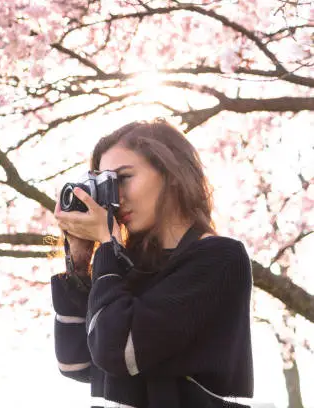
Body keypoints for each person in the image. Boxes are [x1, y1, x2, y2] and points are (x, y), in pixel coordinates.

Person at [51, 119, 254, 408]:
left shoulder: (219, 258)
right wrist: (80, 266)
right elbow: (76, 364)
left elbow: (118, 352)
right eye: (106, 185)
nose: (116, 198)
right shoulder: (126, 265)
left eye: (122, 179)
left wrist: (108, 248)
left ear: (170, 173)